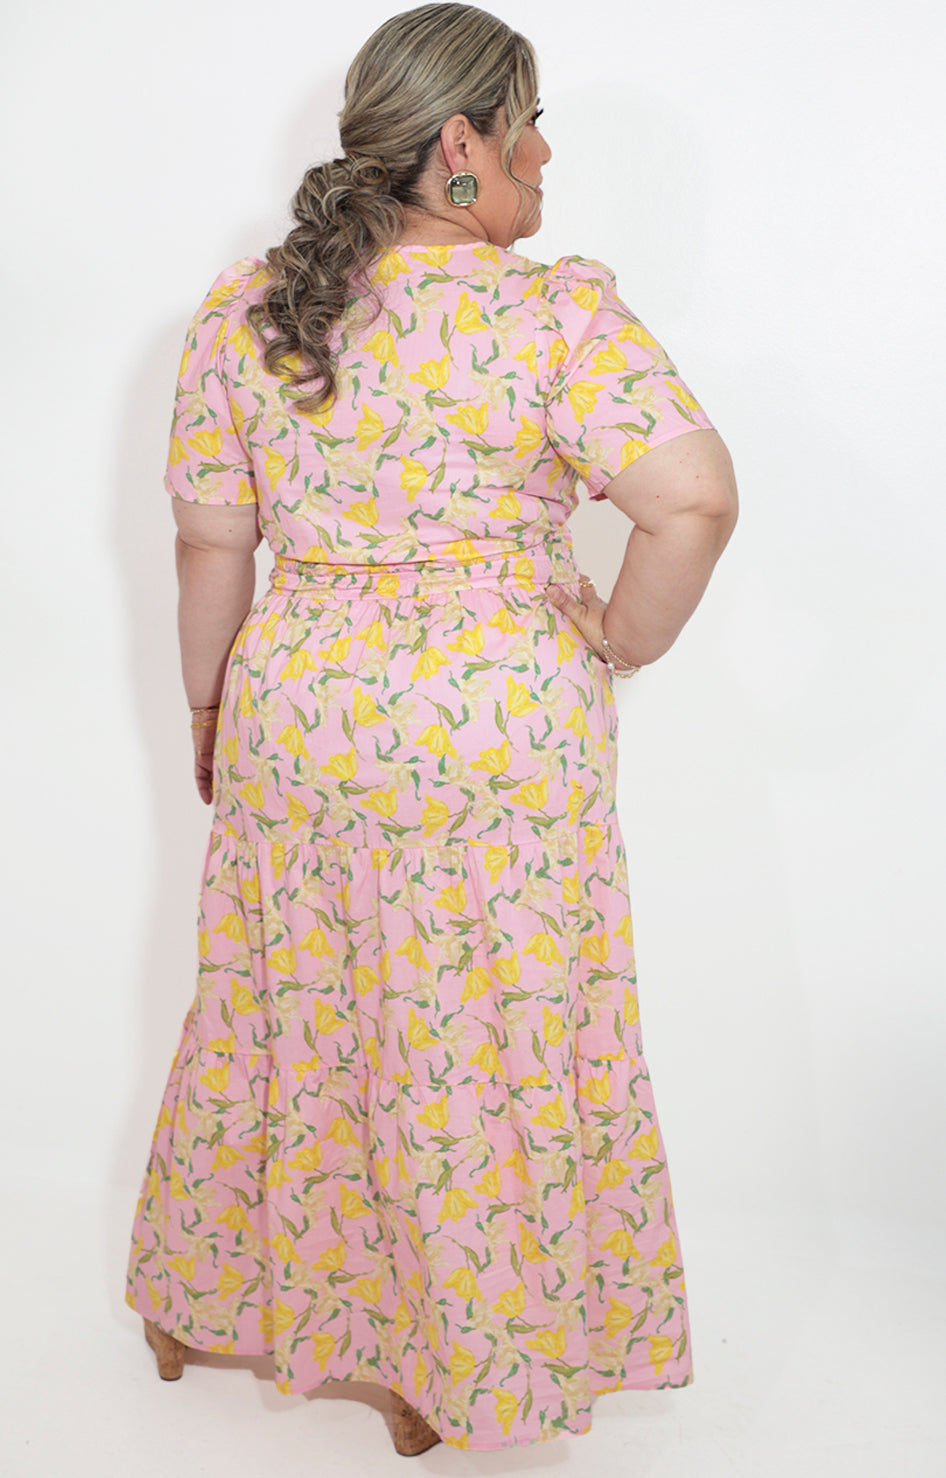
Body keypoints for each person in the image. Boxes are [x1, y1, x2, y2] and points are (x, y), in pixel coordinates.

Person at [124, 0, 738, 1455]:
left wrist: (208, 703)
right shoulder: (551, 316)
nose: (546, 153)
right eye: (530, 124)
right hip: (496, 737)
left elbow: (210, 544)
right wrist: (620, 636)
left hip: (302, 714)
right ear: (461, 144)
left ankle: (221, 1300)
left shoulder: (251, 310)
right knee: (479, 1035)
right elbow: (694, 500)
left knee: (290, 1007)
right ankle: (451, 1356)